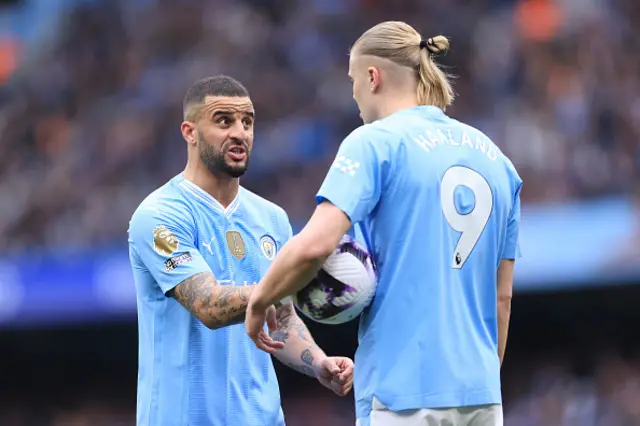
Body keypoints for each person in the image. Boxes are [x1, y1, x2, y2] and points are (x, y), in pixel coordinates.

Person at [245, 21, 521, 426]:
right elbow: (502, 299)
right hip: (480, 395)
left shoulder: (375, 141)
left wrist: (261, 300)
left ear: (372, 77)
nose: (354, 95)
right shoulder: (499, 161)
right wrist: (477, 386)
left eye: (353, 81)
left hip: (402, 392)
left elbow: (316, 245)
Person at [128, 75, 354, 426]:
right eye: (224, 121)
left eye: (247, 122)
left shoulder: (272, 219)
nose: (240, 132)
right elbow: (208, 305)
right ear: (189, 132)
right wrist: (275, 286)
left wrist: (318, 361)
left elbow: (282, 318)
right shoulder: (159, 215)